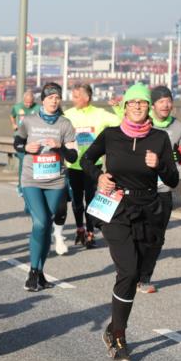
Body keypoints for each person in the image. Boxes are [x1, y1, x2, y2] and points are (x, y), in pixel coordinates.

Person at [81, 83, 180, 361]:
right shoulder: (111, 135)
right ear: (124, 106)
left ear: (149, 108)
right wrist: (99, 176)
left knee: (138, 271)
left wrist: (159, 165)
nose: (138, 106)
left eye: (143, 103)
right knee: (128, 270)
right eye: (133, 102)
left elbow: (172, 179)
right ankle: (119, 339)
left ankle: (113, 327)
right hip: (116, 207)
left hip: (149, 209)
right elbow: (86, 159)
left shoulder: (160, 139)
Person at [15, 83, 77, 291]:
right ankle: (32, 272)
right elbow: (17, 142)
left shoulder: (65, 124)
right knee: (40, 222)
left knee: (47, 225)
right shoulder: (29, 120)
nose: (54, 100)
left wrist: (60, 147)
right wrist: (26, 147)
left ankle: (40, 273)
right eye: (50, 97)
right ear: (43, 100)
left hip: (55, 181)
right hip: (31, 179)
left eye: (57, 97)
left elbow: (73, 156)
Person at [137, 85, 181, 292]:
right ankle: (132, 271)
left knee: (157, 237)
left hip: (164, 188)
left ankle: (144, 278)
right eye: (161, 101)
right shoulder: (143, 123)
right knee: (139, 233)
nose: (166, 105)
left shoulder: (177, 127)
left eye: (168, 101)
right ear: (152, 105)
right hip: (141, 188)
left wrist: (179, 156)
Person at [64, 83, 121, 249]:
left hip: (92, 166)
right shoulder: (67, 115)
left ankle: (90, 232)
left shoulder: (100, 114)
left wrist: (117, 108)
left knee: (90, 200)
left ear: (87, 98)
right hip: (73, 165)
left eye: (76, 97)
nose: (73, 100)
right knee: (77, 202)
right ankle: (79, 228)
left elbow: (121, 122)